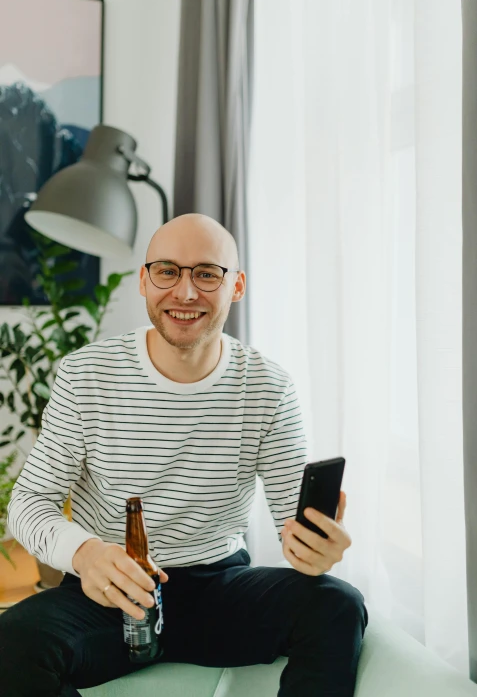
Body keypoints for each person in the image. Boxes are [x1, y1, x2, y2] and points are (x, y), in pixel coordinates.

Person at [0, 213, 367, 697]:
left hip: (218, 588)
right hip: (109, 592)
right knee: (11, 645)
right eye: (168, 271)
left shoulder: (268, 386)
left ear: (235, 286)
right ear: (144, 281)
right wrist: (86, 555)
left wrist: (315, 549)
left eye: (207, 274)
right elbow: (29, 505)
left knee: (338, 605)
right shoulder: (86, 374)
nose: (186, 292)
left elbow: (290, 528)